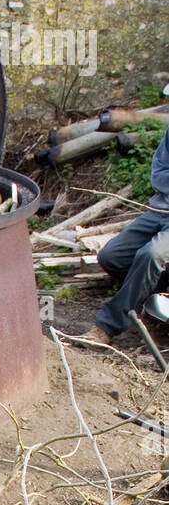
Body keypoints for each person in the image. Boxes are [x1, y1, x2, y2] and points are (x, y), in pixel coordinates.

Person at [84, 122, 169, 344]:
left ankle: (107, 326)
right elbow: (159, 171)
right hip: (161, 210)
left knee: (150, 255)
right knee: (111, 257)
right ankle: (151, 289)